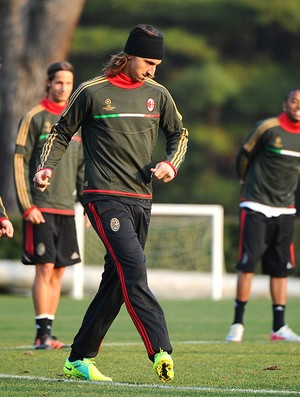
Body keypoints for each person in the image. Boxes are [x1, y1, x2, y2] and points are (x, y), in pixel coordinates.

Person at [33, 24, 188, 382]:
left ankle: (78, 358)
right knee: (133, 267)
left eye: (157, 64)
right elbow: (60, 132)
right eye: (148, 62)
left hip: (141, 198)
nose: (153, 70)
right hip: (103, 196)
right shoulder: (90, 91)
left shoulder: (159, 94)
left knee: (117, 281)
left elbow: (179, 134)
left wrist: (169, 163)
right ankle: (161, 350)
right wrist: (46, 168)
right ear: (129, 55)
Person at [14, 61, 84, 349]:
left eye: (68, 83)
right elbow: (19, 161)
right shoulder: (34, 117)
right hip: (40, 208)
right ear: (48, 83)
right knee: (44, 269)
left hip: (67, 209)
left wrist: (86, 200)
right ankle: (41, 334)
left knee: (58, 271)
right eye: (58, 82)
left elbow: (82, 165)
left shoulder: (76, 121)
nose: (63, 87)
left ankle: (48, 332)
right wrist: (26, 204)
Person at [226, 88, 300, 343]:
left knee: (280, 270)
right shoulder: (267, 127)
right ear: (285, 103)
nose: (298, 106)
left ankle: (278, 328)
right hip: (256, 205)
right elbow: (244, 156)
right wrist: (244, 184)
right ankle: (237, 325)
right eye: (294, 101)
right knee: (247, 265)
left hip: (285, 209)